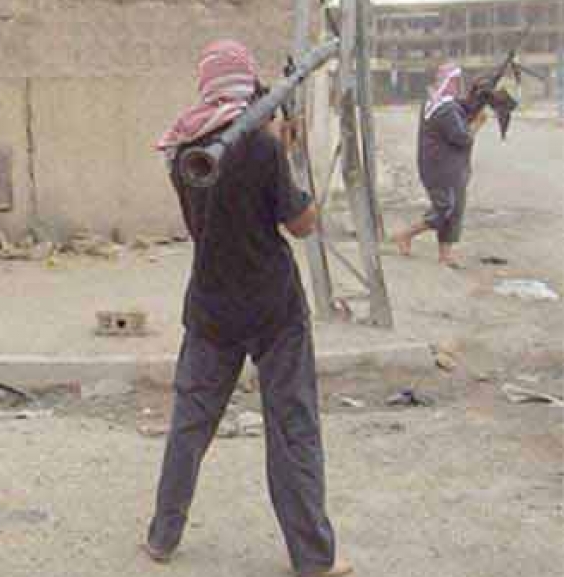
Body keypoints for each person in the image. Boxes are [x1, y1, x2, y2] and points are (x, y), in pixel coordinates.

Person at [144, 40, 351, 577]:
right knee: (293, 427)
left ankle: (163, 537)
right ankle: (314, 558)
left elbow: (206, 224)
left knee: (190, 425)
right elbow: (300, 224)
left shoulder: (183, 151)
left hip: (212, 306)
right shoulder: (260, 147)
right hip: (273, 308)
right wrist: (291, 158)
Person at [391, 62, 488, 267]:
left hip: (441, 166)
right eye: (456, 81)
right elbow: (463, 138)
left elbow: (463, 107)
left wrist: (477, 94)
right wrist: (478, 123)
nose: (458, 85)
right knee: (446, 208)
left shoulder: (436, 102)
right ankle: (406, 234)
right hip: (443, 168)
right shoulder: (445, 109)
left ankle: (445, 255)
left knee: (454, 208)